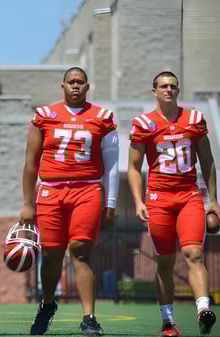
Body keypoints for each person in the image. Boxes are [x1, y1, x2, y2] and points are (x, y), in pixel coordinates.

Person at [18, 67, 119, 336]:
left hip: (87, 190)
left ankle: (89, 317)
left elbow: (111, 166)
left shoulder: (102, 117)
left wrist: (110, 204)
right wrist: (27, 202)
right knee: (51, 254)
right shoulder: (45, 115)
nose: (76, 86)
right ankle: (48, 304)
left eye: (81, 82)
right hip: (51, 190)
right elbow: (30, 163)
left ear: (88, 86)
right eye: (71, 82)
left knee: (81, 251)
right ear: (62, 85)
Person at [127, 71, 219, 336]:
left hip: (189, 195)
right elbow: (133, 167)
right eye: (163, 86)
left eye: (173, 86)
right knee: (164, 261)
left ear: (178, 90)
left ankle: (203, 309)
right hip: (159, 198)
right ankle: (168, 322)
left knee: (195, 254)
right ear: (153, 91)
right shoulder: (144, 123)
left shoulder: (194, 119)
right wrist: (137, 200)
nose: (169, 89)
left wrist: (214, 200)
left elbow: (207, 160)